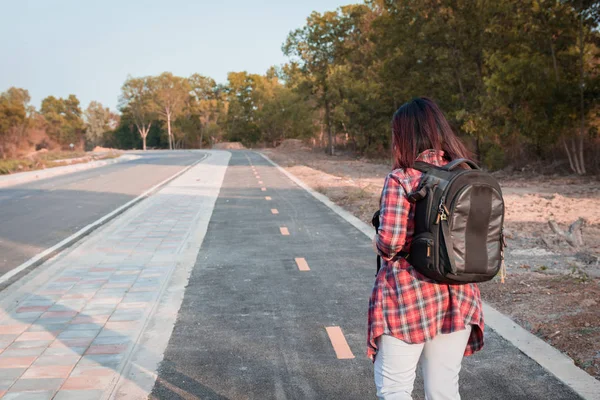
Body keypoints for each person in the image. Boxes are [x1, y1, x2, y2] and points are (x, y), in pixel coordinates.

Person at [368, 97, 484, 400]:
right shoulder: (466, 174)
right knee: (444, 391)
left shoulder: (403, 178)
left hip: (408, 296)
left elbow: (390, 242)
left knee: (395, 390)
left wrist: (378, 240)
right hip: (459, 295)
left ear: (403, 136)